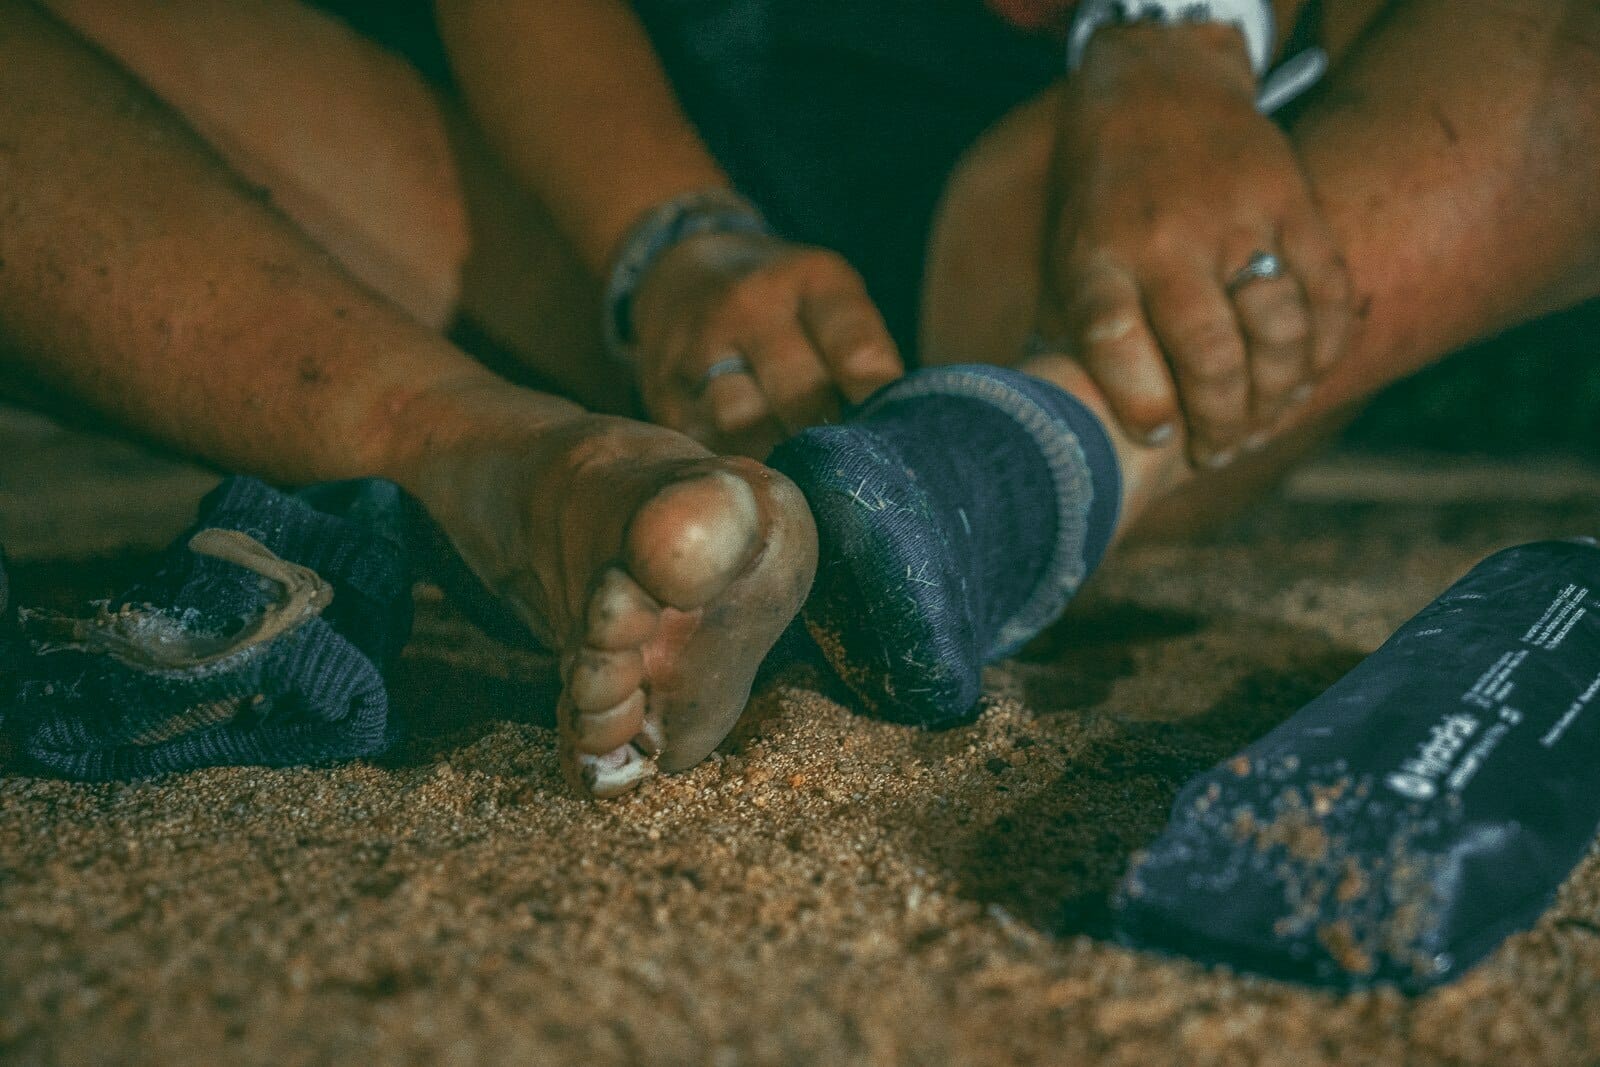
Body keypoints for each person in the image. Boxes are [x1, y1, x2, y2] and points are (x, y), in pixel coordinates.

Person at [4, 1, 1598, 786]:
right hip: (600, 202)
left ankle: (997, 464)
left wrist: (1177, 45)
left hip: (1083, 192)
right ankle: (495, 446)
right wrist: (669, 243)